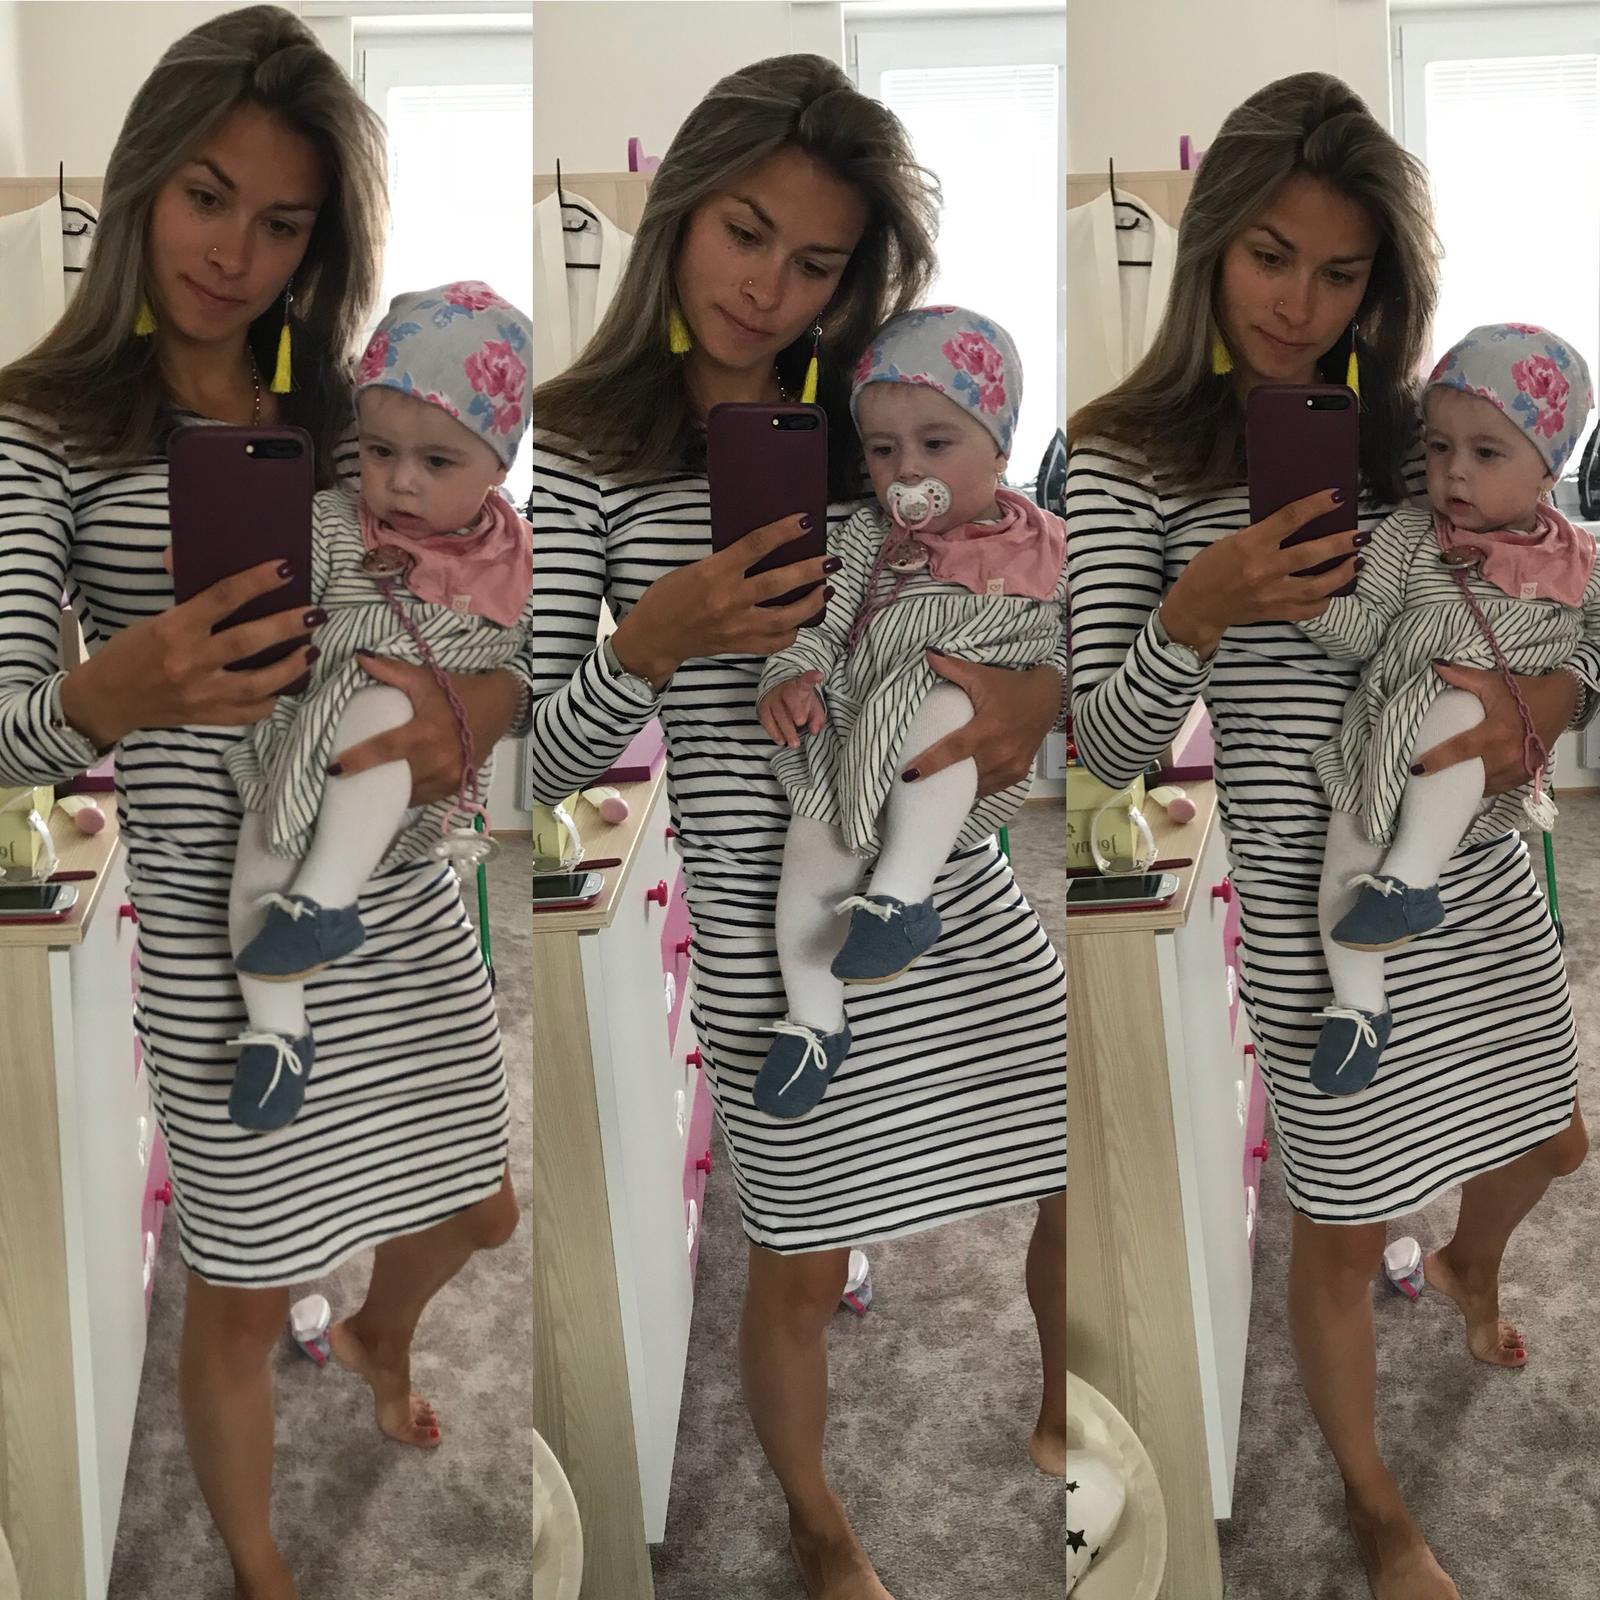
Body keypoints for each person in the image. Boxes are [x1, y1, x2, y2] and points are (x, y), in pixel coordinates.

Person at [0, 10, 528, 1597]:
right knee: (237, 1288)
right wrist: (112, 693)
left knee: (484, 1210)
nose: (236, 254)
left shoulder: (356, 410)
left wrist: (468, 717)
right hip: (218, 934)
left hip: (394, 887)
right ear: (143, 184)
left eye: (284, 222)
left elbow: (493, 625)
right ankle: (259, 1564)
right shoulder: (42, 429)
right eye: (208, 198)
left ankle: (377, 1330)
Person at [529, 54, 1067, 1600]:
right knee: (801, 1253)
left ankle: (1065, 1396)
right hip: (781, 922)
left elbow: (1017, 597)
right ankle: (821, 1529)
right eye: (745, 232)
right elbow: (540, 762)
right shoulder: (580, 449)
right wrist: (655, 641)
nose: (769, 288)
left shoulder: (882, 421)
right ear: (680, 209)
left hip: (944, 877)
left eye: (818, 261)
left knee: (1078, 1154)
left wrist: (1027, 702)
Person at [1066, 72, 1591, 1600]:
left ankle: (1476, 1252)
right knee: (1348, 1228)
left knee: (1556, 1137)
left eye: (1343, 271)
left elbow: (1551, 595)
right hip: (1323, 900)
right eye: (1271, 256)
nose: (1302, 305)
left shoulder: (1416, 436)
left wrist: (1547, 701)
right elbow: (1101, 747)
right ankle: (1374, 1505)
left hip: (1473, 867)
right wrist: (1195, 611)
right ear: (1212, 244)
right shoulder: (1124, 455)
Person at [224, 280, 534, 1132]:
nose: (399, 482)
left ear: (499, 464)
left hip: (417, 776)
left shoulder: (517, 557)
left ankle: (325, 901)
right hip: (301, 751)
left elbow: (536, 666)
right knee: (255, 867)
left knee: (383, 706)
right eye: (377, 450)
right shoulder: (333, 522)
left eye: (437, 463)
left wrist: (496, 693)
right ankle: (276, 1033)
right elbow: (278, 599)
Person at [753, 305, 1066, 1116]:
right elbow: (821, 619)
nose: (906, 471)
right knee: (809, 860)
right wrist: (793, 673)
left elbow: (1077, 652)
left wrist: (1049, 689)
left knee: (943, 702)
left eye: (935, 444)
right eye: (883, 450)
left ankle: (901, 895)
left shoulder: (1050, 545)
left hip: (957, 739)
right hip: (854, 730)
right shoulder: (867, 537)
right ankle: (815, 1022)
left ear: (1000, 448)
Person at [1300, 324, 1596, 1094]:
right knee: (1343, 860)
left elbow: (1595, 650)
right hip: (1380, 736)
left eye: (1487, 452)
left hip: (1479, 753)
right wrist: (1310, 603)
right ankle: (1359, 1008)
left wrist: (1566, 691)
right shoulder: (1409, 536)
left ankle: (1413, 879)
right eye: (1437, 448)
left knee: (1459, 710)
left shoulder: (1580, 562)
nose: (1453, 471)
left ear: (1549, 469)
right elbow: (1367, 629)